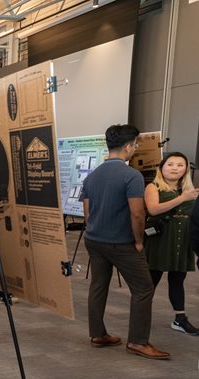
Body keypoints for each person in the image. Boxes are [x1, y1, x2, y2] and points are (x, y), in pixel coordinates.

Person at [80, 124, 169, 360]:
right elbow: (137, 214)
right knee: (143, 288)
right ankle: (138, 342)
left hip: (94, 239)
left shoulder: (92, 175)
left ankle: (97, 334)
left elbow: (87, 212)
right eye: (136, 145)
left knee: (98, 285)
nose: (135, 148)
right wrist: (138, 241)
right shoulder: (131, 175)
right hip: (121, 243)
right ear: (129, 147)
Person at [144, 152, 199, 334]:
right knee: (151, 280)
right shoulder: (153, 187)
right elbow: (153, 209)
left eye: (180, 165)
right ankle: (140, 317)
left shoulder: (191, 190)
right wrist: (183, 198)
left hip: (183, 240)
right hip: (160, 239)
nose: (175, 168)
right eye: (170, 164)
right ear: (162, 167)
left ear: (186, 169)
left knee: (178, 280)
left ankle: (180, 319)